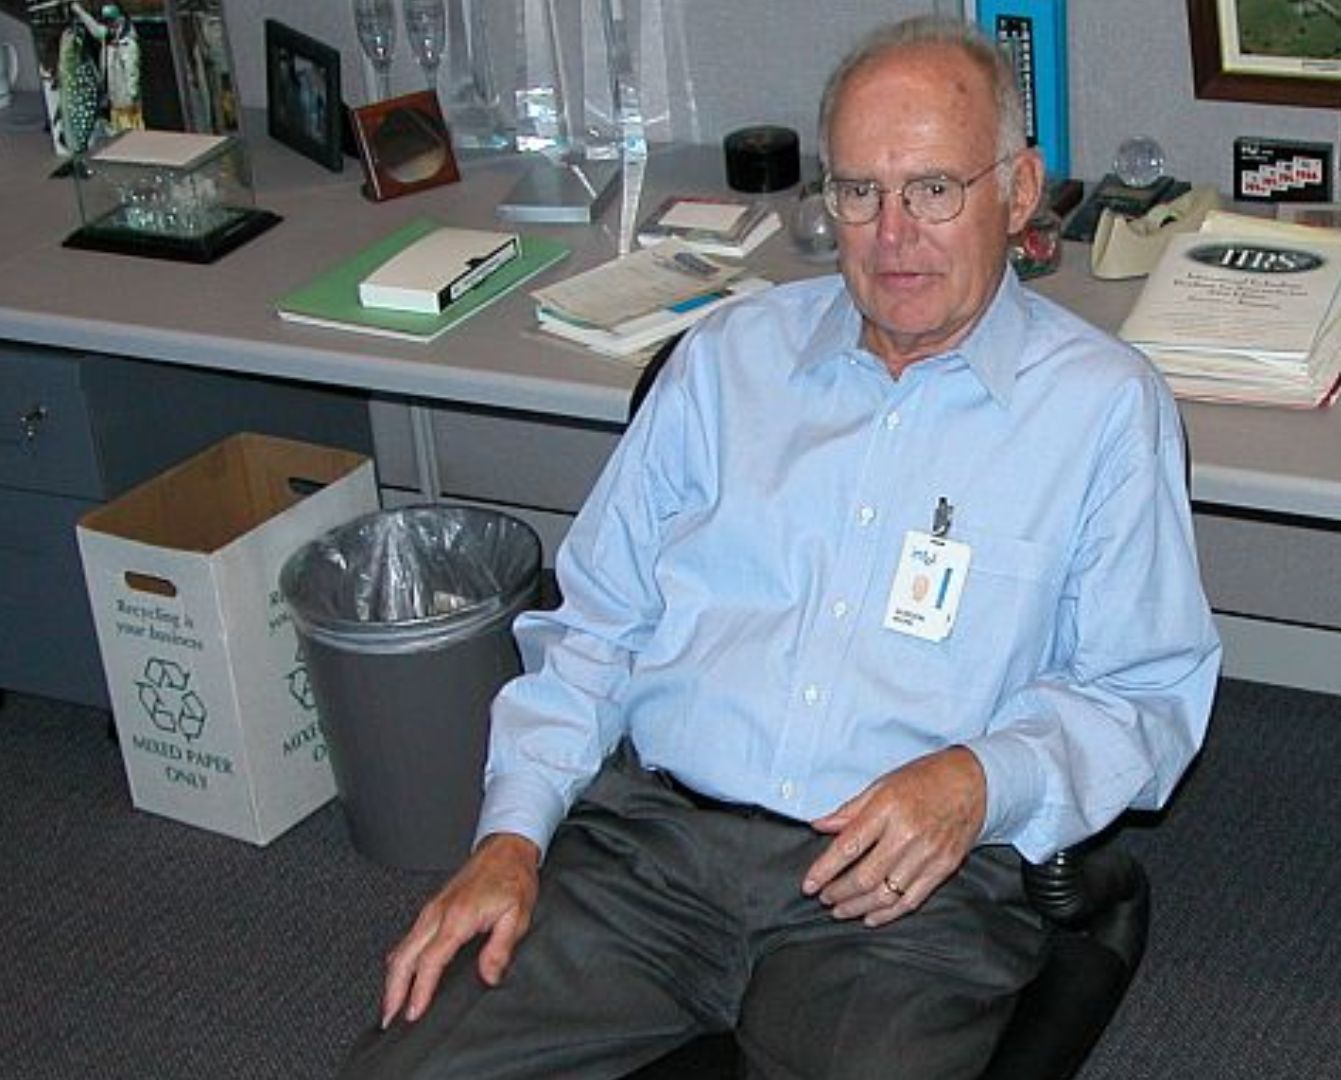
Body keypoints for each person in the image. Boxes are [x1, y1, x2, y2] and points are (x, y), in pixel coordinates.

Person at [341, 15, 1220, 1079]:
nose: (893, 233)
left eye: (935, 189)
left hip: (903, 885)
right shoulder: (727, 359)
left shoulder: (1099, 412)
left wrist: (982, 780)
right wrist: (512, 837)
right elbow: (598, 623)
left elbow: (1145, 694)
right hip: (654, 847)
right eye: (859, 192)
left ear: (1019, 192)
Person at [70, 3, 141, 134]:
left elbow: (132, 73)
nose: (108, 25)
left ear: (119, 21)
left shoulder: (128, 44)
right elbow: (95, 29)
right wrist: (80, 12)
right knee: (117, 133)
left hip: (126, 102)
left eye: (111, 21)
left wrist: (131, 97)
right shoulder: (108, 38)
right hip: (114, 101)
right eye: (107, 22)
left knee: (131, 134)